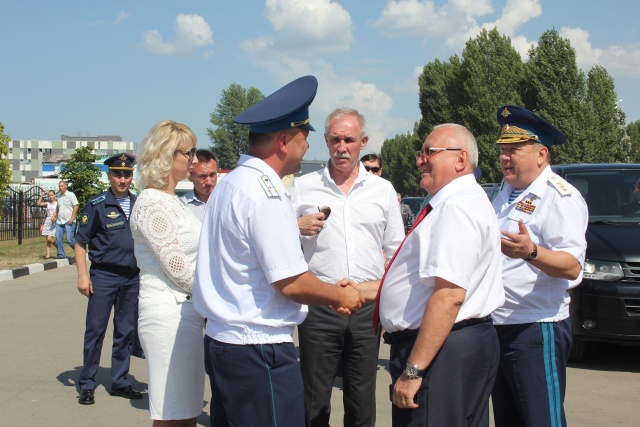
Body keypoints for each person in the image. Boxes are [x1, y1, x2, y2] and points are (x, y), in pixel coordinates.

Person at [192, 76, 364, 427]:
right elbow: (290, 281)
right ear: (284, 141)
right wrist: (339, 295)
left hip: (226, 342)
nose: (307, 145)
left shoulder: (231, 183)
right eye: (304, 136)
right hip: (258, 350)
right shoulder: (264, 193)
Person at [355, 123, 505, 427]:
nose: (419, 160)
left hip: (441, 351)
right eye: (421, 153)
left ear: (460, 159)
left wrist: (413, 371)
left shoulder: (455, 208)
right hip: (453, 344)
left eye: (429, 152)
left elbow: (449, 296)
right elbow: (424, 282)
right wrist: (363, 290)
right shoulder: (458, 202)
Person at [291, 107, 404, 427]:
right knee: (314, 399)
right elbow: (278, 242)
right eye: (335, 140)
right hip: (320, 304)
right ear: (326, 141)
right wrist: (295, 226)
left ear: (363, 142)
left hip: (366, 306)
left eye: (349, 140)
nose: (342, 147)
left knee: (361, 398)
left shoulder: (382, 190)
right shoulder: (303, 187)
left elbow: (397, 251)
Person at [490, 105, 588, 427]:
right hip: (500, 324)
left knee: (542, 420)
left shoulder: (559, 197)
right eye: (503, 150)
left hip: (535, 328)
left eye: (514, 150)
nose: (505, 158)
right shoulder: (504, 194)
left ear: (541, 154)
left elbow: (572, 266)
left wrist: (531, 252)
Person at [130, 120, 205, 426]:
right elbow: (177, 267)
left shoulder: (173, 201)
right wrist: (217, 295)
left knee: (185, 411)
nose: (194, 160)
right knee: (170, 412)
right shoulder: (151, 203)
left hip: (184, 312)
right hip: (167, 314)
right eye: (189, 152)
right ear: (166, 154)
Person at [74, 153, 142, 405]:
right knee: (95, 330)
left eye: (126, 175)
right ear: (109, 176)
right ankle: (87, 383)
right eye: (117, 174)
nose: (122, 179)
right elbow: (80, 242)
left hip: (132, 277)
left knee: (126, 331)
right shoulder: (97, 205)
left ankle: (120, 381)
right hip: (104, 276)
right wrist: (83, 275)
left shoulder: (139, 204)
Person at [181, 149, 219, 222]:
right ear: (190, 177)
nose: (209, 182)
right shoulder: (182, 205)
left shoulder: (230, 201)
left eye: (212, 175)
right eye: (202, 176)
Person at [50, 180, 78, 258]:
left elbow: (76, 206)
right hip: (60, 221)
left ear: (66, 186)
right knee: (58, 237)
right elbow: (58, 207)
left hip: (69, 220)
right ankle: (61, 255)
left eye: (62, 186)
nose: (60, 188)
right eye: (59, 186)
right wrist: (54, 216)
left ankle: (79, 250)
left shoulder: (71, 195)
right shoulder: (58, 196)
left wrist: (72, 218)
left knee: (69, 239)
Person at [37, 190, 58, 259]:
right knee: (47, 239)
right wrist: (42, 195)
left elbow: (59, 212)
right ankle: (48, 254)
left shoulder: (57, 204)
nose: (50, 197)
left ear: (54, 195)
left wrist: (55, 218)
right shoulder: (48, 203)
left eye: (52, 195)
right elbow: (38, 203)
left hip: (54, 221)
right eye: (49, 195)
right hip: (48, 221)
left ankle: (59, 247)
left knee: (50, 238)